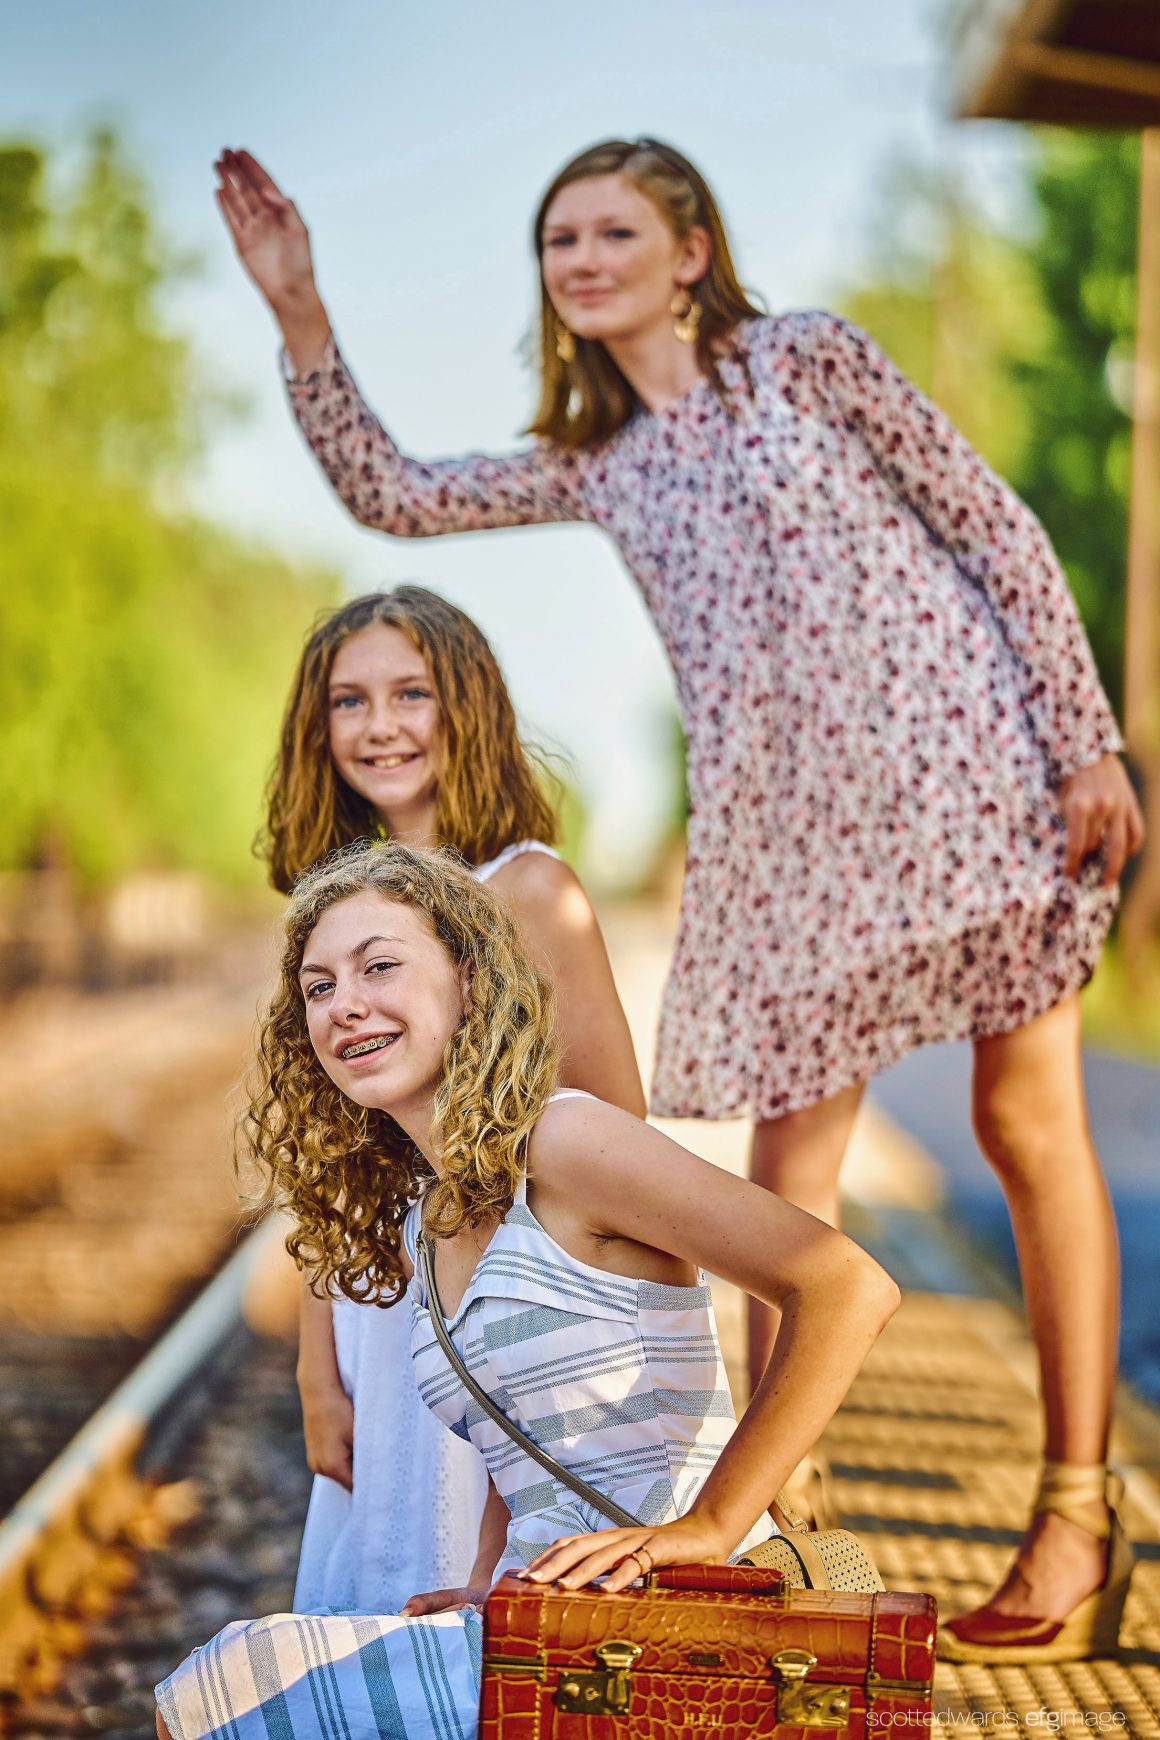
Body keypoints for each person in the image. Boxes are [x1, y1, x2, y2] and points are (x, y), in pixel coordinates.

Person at [213, 137, 1144, 1657]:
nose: (581, 261)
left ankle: (1076, 1510)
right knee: (791, 1179)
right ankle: (783, 1512)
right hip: (782, 835)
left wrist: (1084, 735)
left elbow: (991, 525)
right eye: (558, 241)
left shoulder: (809, 361)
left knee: (1024, 1124)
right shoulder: (599, 457)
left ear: (692, 248)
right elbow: (395, 491)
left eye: (613, 231)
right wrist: (303, 316)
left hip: (962, 760)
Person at [155, 839, 900, 1739]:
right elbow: (517, 1426)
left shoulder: (568, 1143)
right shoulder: (427, 1222)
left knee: (220, 1694)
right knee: (224, 1684)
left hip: (673, 1630)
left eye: (379, 965)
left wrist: (710, 1526)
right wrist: (484, 1575)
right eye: (319, 987)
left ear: (467, 978)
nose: (345, 1003)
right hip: (540, 1623)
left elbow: (846, 1287)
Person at [267, 585, 645, 1615]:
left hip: (490, 1303)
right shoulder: (334, 903)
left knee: (471, 1603)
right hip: (373, 1300)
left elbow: (619, 1132)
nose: (379, 726)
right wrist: (316, 1366)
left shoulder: (528, 890)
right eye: (348, 701)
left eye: (410, 694)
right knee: (377, 1585)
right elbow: (325, 1155)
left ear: (463, 708)